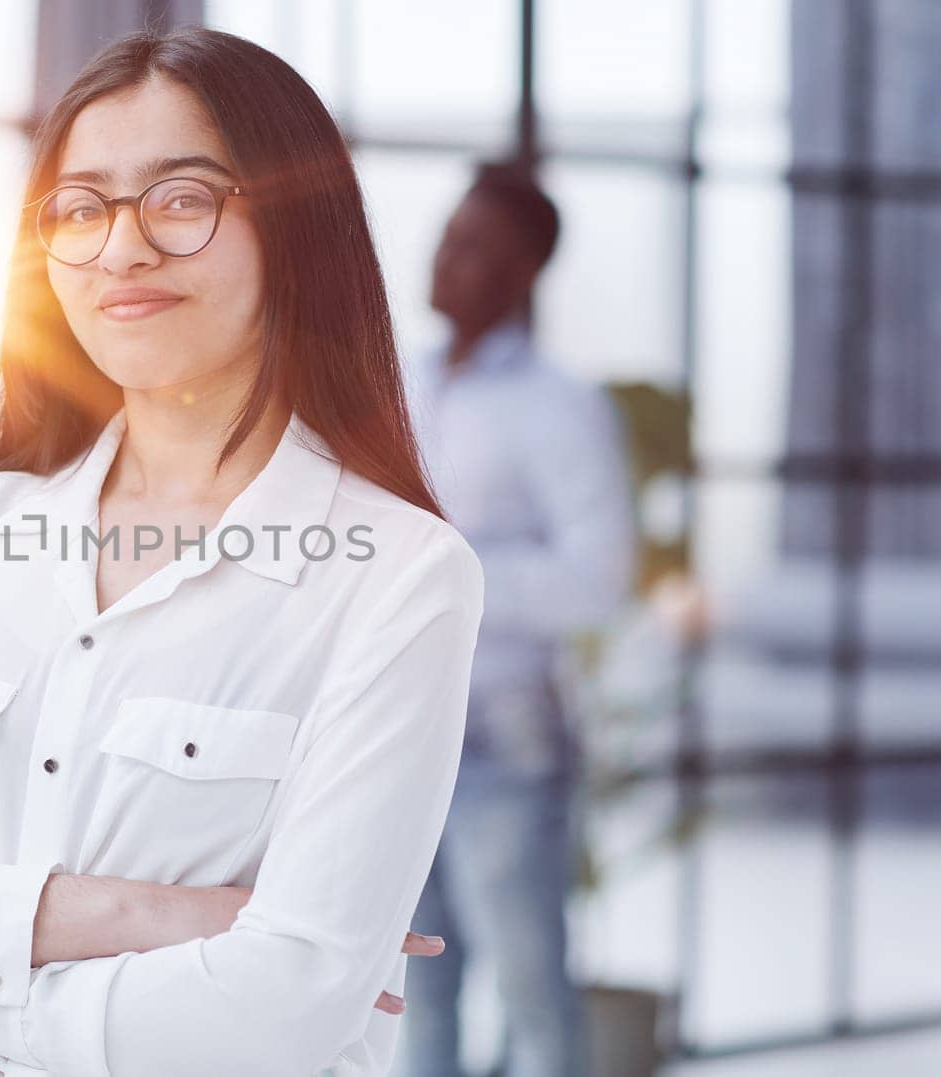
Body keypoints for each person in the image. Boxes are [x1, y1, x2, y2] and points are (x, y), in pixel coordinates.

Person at [0, 29, 484, 1077]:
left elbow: (282, 1009)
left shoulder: (398, 574)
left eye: (181, 198)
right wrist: (132, 913)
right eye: (80, 208)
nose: (121, 248)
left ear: (291, 226)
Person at [394, 164, 636, 1077]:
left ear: (522, 271)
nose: (442, 258)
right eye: (445, 235)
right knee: (416, 993)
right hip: (402, 730)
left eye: (471, 247)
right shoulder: (396, 383)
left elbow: (598, 580)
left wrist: (449, 568)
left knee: (533, 992)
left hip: (505, 731)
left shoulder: (559, 407)